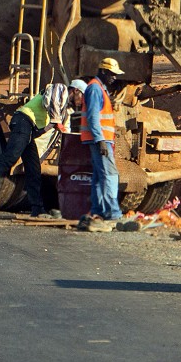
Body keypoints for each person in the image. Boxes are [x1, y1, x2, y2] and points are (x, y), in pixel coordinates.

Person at [0, 83, 71, 216]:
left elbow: (63, 130)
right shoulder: (60, 90)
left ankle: (37, 209)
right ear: (75, 91)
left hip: (30, 130)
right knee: (12, 155)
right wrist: (56, 122)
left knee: (34, 169)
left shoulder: (66, 110)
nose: (82, 100)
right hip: (23, 120)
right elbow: (51, 99)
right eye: (81, 95)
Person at [76, 58, 124, 232]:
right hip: (99, 140)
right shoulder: (95, 89)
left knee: (98, 177)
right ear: (103, 71)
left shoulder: (98, 88)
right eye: (111, 74)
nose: (114, 78)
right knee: (110, 175)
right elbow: (93, 117)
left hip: (99, 139)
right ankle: (113, 212)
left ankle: (98, 210)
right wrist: (101, 140)